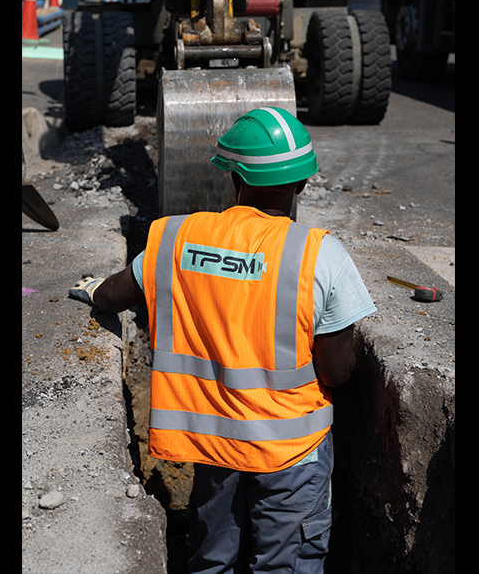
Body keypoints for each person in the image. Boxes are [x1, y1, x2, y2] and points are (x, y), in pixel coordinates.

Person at [69, 107, 376, 573]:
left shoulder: (177, 238)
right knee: (284, 564)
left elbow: (114, 293)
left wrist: (92, 289)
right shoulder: (320, 255)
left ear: (234, 180)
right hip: (291, 454)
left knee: (213, 558)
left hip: (213, 447)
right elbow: (335, 369)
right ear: (302, 184)